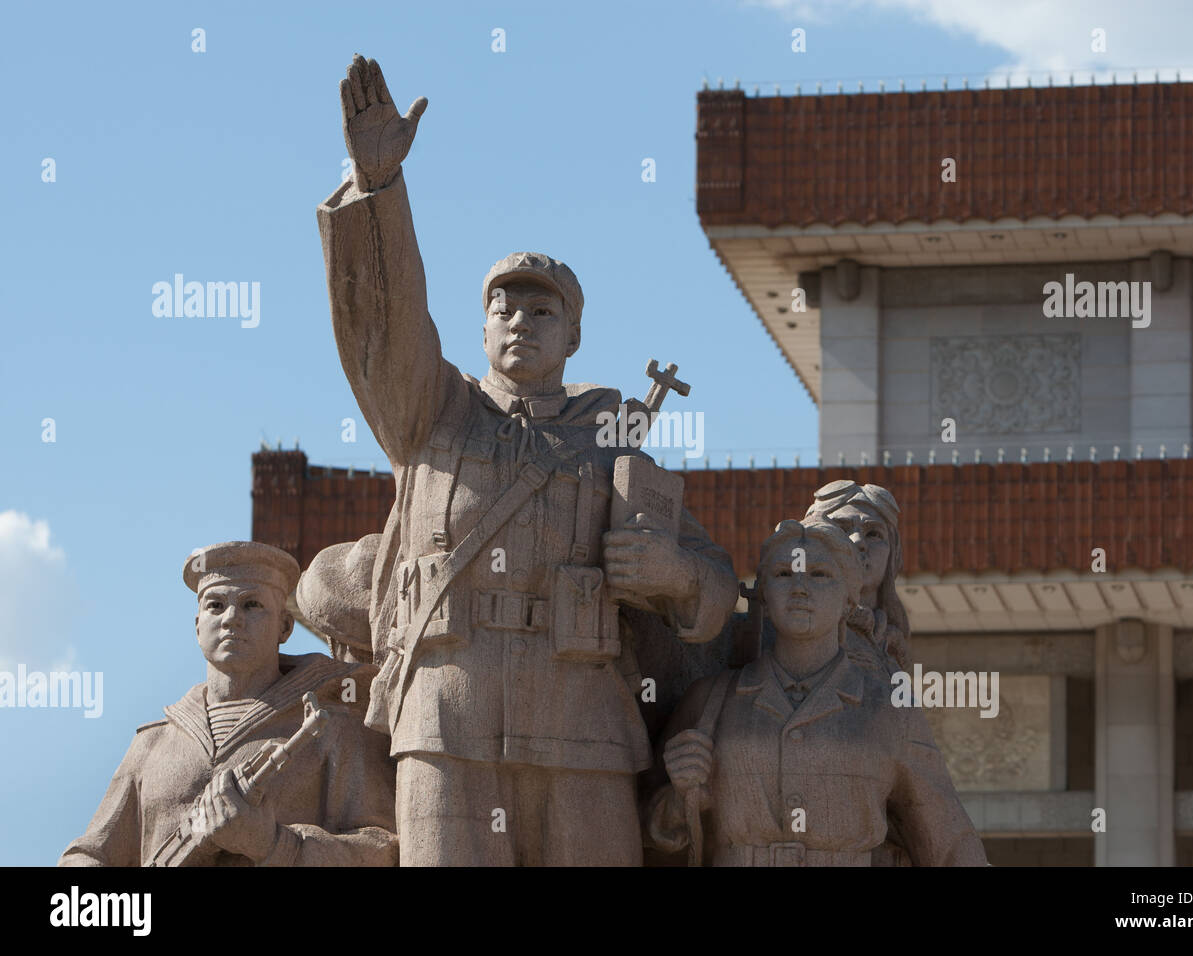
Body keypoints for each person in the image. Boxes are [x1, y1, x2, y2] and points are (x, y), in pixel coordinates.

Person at [318, 55, 738, 865]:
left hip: (583, 722)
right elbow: (382, 327)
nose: (519, 320)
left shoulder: (611, 436)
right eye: (501, 307)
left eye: (542, 309)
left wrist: (674, 575)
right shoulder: (430, 410)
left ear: (573, 336)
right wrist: (377, 192)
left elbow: (713, 587)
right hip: (446, 716)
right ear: (479, 331)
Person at [644, 520, 986, 867]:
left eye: (819, 574)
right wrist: (680, 798)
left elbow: (946, 835)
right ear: (762, 592)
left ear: (849, 598)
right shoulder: (710, 702)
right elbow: (646, 831)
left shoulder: (890, 709)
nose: (800, 588)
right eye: (783, 574)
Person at [58, 542, 398, 867]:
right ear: (197, 627)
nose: (232, 618)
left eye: (252, 605)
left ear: (284, 626)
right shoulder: (152, 744)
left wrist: (273, 844)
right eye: (215, 605)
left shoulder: (332, 725)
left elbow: (384, 851)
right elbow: (88, 853)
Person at [804, 479, 912, 673]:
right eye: (842, 529)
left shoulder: (893, 644)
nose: (858, 541)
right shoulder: (787, 634)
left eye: (873, 534)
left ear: (893, 554)